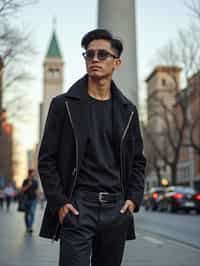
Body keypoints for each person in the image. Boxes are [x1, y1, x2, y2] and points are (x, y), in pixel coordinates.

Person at [38, 29, 146, 266]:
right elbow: (46, 159)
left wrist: (133, 200)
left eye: (102, 54)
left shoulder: (128, 111)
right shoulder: (62, 105)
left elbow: (138, 160)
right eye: (89, 54)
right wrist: (60, 203)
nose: (94, 59)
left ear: (116, 62)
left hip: (116, 209)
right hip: (77, 208)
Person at [21, 169, 38, 233]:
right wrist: (28, 185)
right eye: (33, 173)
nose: (34, 174)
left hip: (33, 199)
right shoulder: (25, 181)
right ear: (30, 173)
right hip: (26, 199)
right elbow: (22, 190)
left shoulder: (35, 181)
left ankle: (30, 227)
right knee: (26, 214)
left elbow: (36, 190)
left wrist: (37, 198)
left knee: (32, 213)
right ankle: (27, 227)